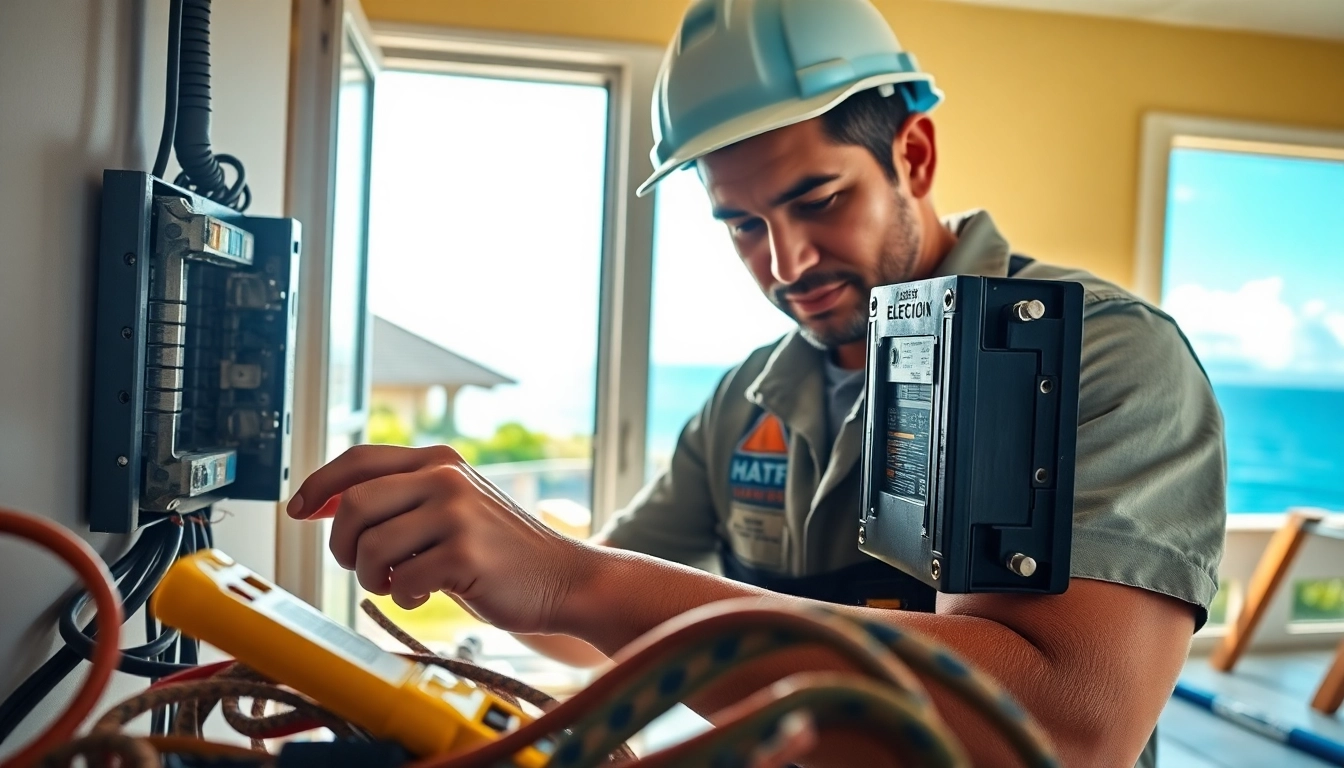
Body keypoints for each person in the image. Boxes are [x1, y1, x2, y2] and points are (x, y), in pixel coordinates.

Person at [287, 0, 1227, 764]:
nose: (786, 262)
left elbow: (1065, 730)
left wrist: (573, 575)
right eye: (741, 225)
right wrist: (491, 547)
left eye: (818, 201)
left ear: (915, 156)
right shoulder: (748, 398)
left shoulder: (1093, 354)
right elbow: (586, 625)